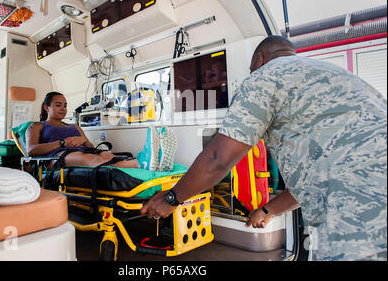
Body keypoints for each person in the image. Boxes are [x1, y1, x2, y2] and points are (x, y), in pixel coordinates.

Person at [141, 36, 387, 261]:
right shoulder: (336, 74)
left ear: (259, 59)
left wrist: (172, 198)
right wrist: (267, 210)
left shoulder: (264, 76)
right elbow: (312, 181)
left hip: (355, 215)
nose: (251, 73)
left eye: (251, 69)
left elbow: (218, 158)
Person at [26, 92, 176, 171]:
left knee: (106, 155)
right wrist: (62, 143)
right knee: (84, 157)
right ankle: (141, 162)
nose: (63, 109)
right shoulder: (37, 126)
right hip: (57, 158)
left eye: (65, 105)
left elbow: (90, 146)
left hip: (84, 151)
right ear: (46, 107)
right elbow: (31, 150)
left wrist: (83, 140)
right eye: (58, 105)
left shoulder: (74, 127)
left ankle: (153, 159)